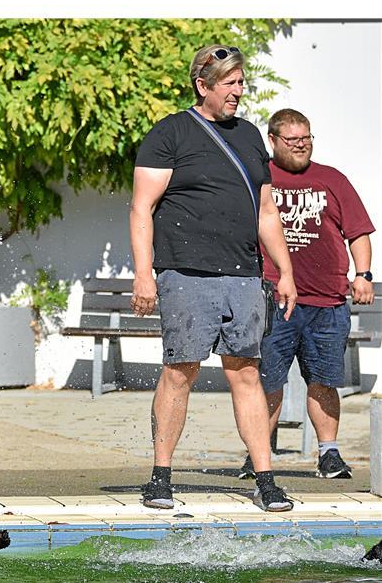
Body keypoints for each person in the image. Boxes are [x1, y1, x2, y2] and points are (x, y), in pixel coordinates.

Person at [129, 45, 298, 512]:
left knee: (246, 372)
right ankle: (161, 477)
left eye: (242, 83)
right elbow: (142, 207)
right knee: (180, 371)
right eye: (230, 84)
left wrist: (284, 270)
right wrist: (145, 274)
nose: (239, 92)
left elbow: (266, 210)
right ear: (203, 85)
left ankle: (266, 479)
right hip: (185, 272)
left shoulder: (247, 136)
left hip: (244, 274)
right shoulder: (170, 134)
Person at [236, 108, 374, 480]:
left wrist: (363, 275)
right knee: (268, 381)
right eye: (293, 140)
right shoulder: (258, 178)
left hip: (326, 302)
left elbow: (358, 232)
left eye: (306, 138)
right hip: (272, 299)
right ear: (273, 140)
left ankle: (329, 454)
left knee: (324, 381)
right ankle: (258, 456)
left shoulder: (332, 179)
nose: (301, 146)